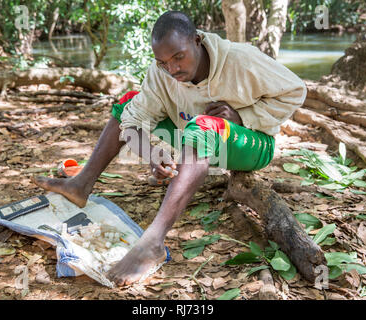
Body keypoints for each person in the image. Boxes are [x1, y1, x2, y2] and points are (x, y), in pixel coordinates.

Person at [32, 11, 307, 286]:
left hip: (250, 145)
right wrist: (152, 153)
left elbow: (296, 91)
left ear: (197, 40)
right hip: (195, 135)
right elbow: (133, 120)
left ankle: (153, 241)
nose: (172, 69)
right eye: (163, 62)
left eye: (178, 57)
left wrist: (243, 117)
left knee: (203, 126)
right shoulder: (161, 74)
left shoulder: (240, 59)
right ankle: (81, 184)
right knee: (129, 102)